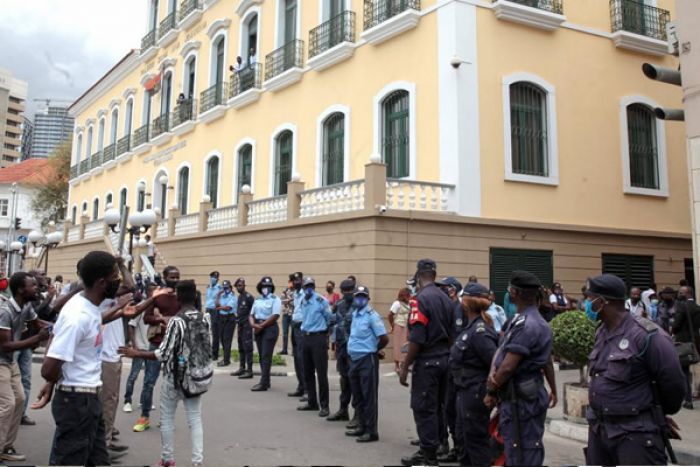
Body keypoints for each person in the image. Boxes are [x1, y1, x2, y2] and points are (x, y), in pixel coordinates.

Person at [584, 274, 685, 465]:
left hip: (634, 435)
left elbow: (674, 384)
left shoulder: (647, 336)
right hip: (601, 430)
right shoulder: (602, 331)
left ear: (603, 301)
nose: (587, 304)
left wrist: (656, 412)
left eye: (590, 298)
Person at [32, 252, 122, 465]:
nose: (118, 282)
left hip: (88, 398)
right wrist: (52, 381)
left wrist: (53, 382)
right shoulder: (77, 316)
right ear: (101, 282)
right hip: (77, 402)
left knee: (98, 461)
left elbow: (60, 343)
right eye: (115, 277)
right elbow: (49, 367)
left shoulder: (88, 308)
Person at [120, 280, 210, 467]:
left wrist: (137, 353)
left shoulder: (177, 321)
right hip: (197, 377)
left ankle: (167, 459)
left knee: (167, 419)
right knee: (195, 420)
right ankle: (197, 462)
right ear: (195, 296)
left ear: (177, 297)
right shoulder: (205, 318)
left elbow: (163, 353)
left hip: (175, 378)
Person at [484, 270, 557, 467]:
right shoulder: (517, 320)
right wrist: (493, 373)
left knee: (523, 450)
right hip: (514, 396)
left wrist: (492, 388)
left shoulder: (529, 325)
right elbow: (501, 350)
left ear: (514, 293)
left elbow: (507, 367)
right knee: (513, 448)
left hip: (522, 400)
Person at [399, 259, 455, 466]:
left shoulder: (419, 299)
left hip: (428, 360)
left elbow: (417, 337)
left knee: (424, 409)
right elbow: (452, 335)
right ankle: (430, 449)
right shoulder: (446, 298)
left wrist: (405, 366)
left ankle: (429, 458)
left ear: (418, 276)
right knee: (438, 407)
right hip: (445, 359)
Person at [0, 272, 50, 462]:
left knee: (20, 399)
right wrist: (36, 338)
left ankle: (5, 446)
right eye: (33, 285)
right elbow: (4, 345)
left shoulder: (26, 306)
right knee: (6, 404)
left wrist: (61, 325)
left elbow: (38, 323)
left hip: (9, 361)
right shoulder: (5, 311)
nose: (36, 287)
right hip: (1, 361)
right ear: (21, 289)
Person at [450, 282, 498, 467]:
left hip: (475, 393)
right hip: (464, 391)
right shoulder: (471, 328)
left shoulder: (479, 332)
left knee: (476, 443)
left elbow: (494, 364)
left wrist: (492, 392)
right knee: (463, 440)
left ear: (466, 303)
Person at [131, 265, 180, 432]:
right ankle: (144, 416)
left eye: (177, 277)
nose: (175, 280)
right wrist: (160, 320)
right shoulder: (156, 295)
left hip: (175, 344)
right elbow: (146, 318)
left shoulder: (181, 295)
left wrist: (172, 319)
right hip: (157, 343)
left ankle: (166, 418)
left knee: (172, 383)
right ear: (164, 277)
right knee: (149, 382)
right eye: (172, 277)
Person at [344, 286, 388, 443]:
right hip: (354, 359)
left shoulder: (372, 316)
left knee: (369, 396)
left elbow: (384, 338)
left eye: (363, 297)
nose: (360, 299)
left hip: (366, 359)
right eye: (358, 296)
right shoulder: (355, 314)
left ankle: (371, 431)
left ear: (368, 299)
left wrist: (373, 349)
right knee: (358, 395)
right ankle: (361, 426)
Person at [435, 275, 463, 462]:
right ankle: (445, 443)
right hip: (447, 362)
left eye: (444, 287)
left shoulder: (460, 308)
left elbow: (457, 338)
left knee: (453, 409)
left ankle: (458, 448)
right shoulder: (448, 306)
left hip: (456, 366)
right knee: (446, 407)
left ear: (452, 290)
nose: (441, 290)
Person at [297, 276, 333, 417]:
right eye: (307, 286)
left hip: (318, 337)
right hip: (305, 337)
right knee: (307, 372)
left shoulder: (320, 301)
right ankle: (312, 402)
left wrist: (324, 333)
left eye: (311, 286)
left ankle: (325, 406)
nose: (309, 288)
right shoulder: (303, 300)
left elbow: (329, 318)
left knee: (321, 373)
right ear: (304, 288)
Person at [328, 278, 358, 423]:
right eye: (344, 291)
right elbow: (332, 321)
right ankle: (343, 409)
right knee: (344, 379)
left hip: (355, 349)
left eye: (349, 291)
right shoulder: (339, 305)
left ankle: (358, 414)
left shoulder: (359, 305)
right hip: (341, 347)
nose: (347, 293)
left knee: (355, 380)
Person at [123, 284, 155, 413]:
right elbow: (131, 325)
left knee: (149, 378)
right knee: (133, 375)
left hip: (151, 348)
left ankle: (145, 401)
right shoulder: (141, 307)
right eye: (153, 292)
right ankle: (128, 401)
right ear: (148, 293)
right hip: (140, 347)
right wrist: (134, 344)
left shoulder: (158, 307)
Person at [671, 285, 700, 409]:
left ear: (687, 294)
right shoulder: (697, 308)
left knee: (683, 371)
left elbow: (676, 325)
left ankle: (688, 399)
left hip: (683, 342)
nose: (679, 294)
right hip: (695, 341)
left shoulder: (682, 306)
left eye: (681, 292)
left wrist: (672, 329)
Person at [250, 276, 281, 391]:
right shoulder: (257, 300)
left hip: (269, 328)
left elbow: (275, 315)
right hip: (258, 328)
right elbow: (251, 314)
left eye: (268, 286)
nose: (266, 288)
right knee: (262, 356)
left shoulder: (275, 299)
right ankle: (266, 381)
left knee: (265, 356)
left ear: (271, 287)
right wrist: (253, 325)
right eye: (264, 286)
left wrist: (260, 326)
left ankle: (263, 383)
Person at [231, 277, 255, 379]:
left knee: (248, 348)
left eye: (240, 285)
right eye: (237, 286)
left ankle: (249, 370)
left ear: (244, 286)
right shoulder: (240, 297)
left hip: (247, 326)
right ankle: (242, 368)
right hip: (240, 325)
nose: (239, 287)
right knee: (241, 347)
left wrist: (251, 324)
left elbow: (253, 312)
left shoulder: (249, 297)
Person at [287, 272, 306, 398]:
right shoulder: (296, 294)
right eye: (294, 280)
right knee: (296, 358)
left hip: (302, 327)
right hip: (294, 326)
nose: (296, 282)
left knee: (302, 358)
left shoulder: (305, 294)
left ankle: (307, 389)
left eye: (298, 280)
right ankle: (301, 386)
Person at [216, 280, 238, 368]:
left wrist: (220, 307)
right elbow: (216, 304)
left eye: (227, 287)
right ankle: (225, 358)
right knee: (221, 339)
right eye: (224, 288)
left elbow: (228, 308)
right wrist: (218, 295)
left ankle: (226, 360)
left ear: (230, 287)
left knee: (227, 340)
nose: (226, 289)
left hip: (230, 319)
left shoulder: (233, 296)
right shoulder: (222, 296)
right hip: (222, 318)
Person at [388, 287, 411, 373]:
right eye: (407, 295)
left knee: (406, 345)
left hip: (407, 326)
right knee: (398, 345)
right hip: (399, 325)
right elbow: (390, 315)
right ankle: (397, 365)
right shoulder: (397, 303)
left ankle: (404, 364)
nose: (409, 296)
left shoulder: (409, 303)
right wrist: (392, 325)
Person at [205, 271, 222, 361]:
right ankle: (208, 351)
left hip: (215, 311)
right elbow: (208, 299)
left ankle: (215, 353)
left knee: (215, 333)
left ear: (217, 278)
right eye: (211, 277)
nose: (213, 279)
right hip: (208, 310)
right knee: (207, 331)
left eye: (214, 277)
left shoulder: (220, 288)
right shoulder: (208, 287)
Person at [279, 279, 295, 355]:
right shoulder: (285, 291)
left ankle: (294, 350)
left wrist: (288, 300)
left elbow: (295, 303)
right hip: (285, 314)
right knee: (285, 333)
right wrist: (290, 300)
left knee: (293, 333)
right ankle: (284, 350)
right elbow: (282, 300)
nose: (290, 284)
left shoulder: (296, 292)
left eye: (291, 282)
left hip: (292, 314)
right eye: (289, 282)